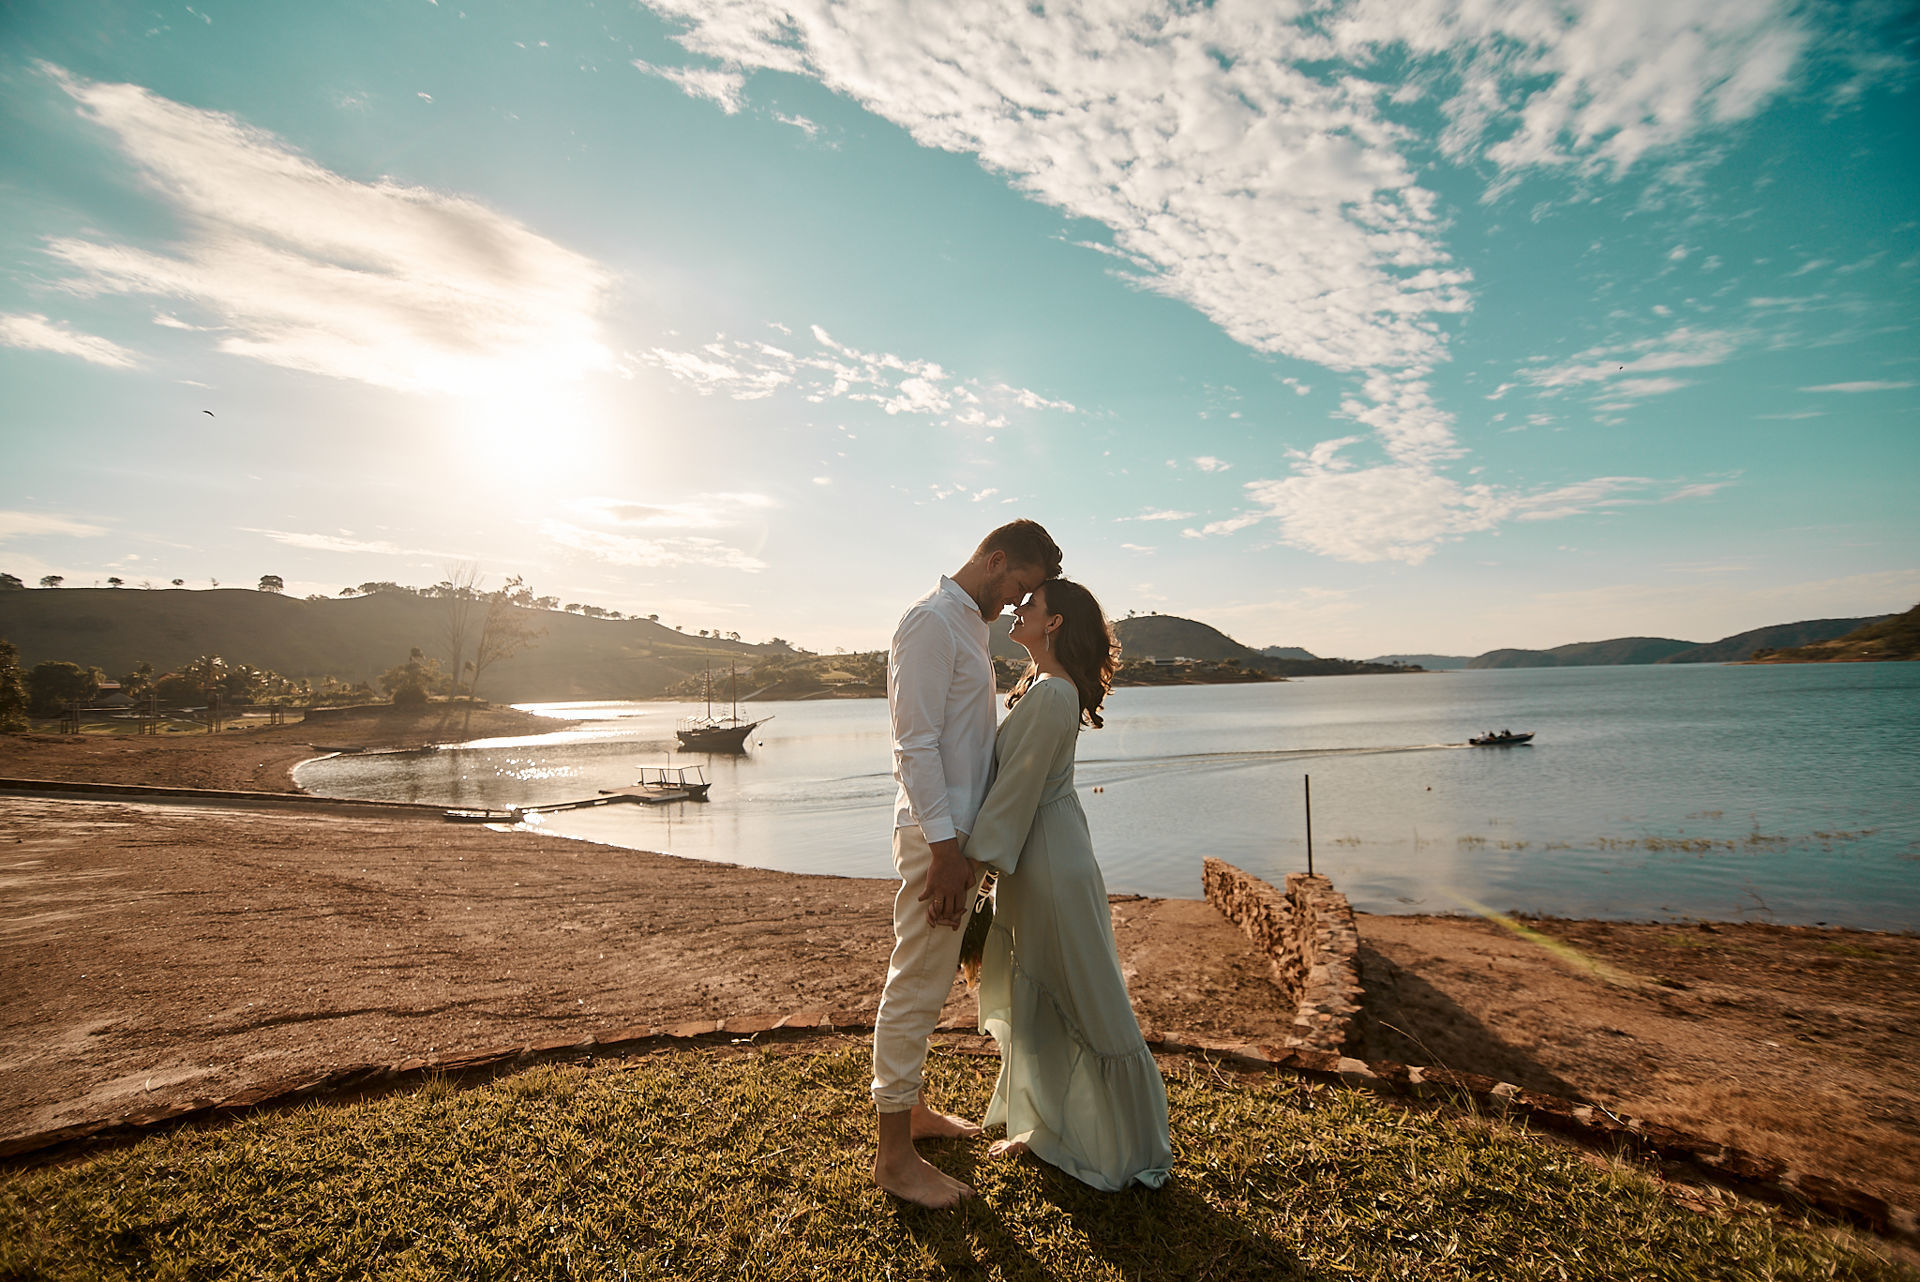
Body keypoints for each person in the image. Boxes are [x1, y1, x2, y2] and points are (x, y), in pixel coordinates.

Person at [872, 518, 1062, 1209]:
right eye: (1019, 586)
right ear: (995, 558)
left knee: (925, 978)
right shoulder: (928, 623)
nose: (1019, 604)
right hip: (935, 842)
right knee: (915, 982)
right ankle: (895, 1159)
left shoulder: (968, 628)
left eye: (1029, 597)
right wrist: (949, 852)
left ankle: (914, 1113)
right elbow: (913, 748)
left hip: (954, 842)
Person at [964, 578, 1173, 1191]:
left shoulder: (1054, 694)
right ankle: (1046, 1129)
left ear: (1053, 623)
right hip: (1041, 855)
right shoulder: (1040, 688)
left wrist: (973, 872)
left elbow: (1014, 794)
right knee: (1046, 993)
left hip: (1050, 861)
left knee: (1086, 994)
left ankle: (1128, 1146)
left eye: (1029, 604)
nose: (1016, 608)